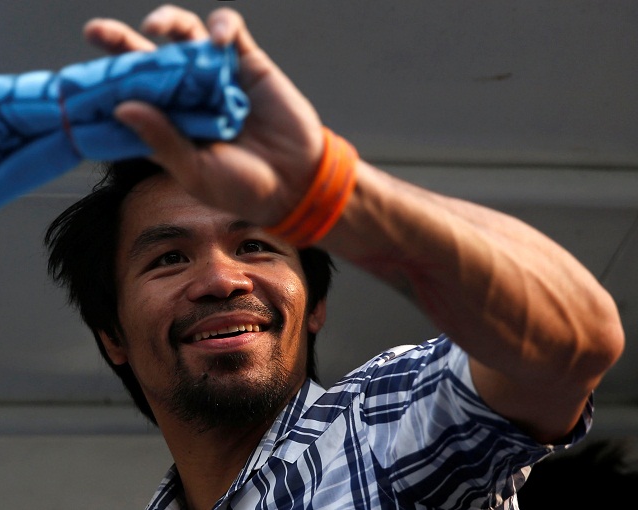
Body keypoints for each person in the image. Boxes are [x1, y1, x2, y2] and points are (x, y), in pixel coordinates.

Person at [44, 5, 625, 509]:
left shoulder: (379, 433)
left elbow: (574, 343)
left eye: (256, 246)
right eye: (169, 258)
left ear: (315, 302)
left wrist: (332, 190)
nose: (221, 279)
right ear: (111, 334)